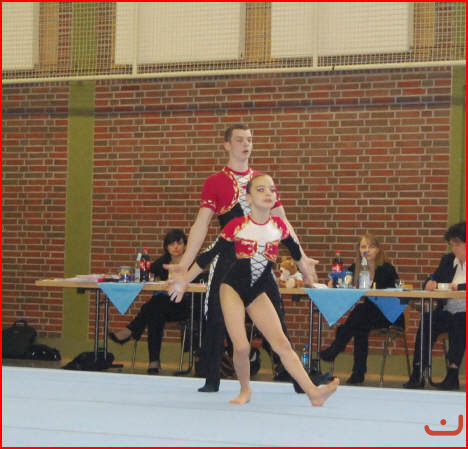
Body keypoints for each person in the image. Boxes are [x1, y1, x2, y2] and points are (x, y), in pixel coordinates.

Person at [165, 124, 318, 393]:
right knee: (215, 314)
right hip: (227, 256)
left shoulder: (262, 181)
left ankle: (296, 379)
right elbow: (201, 225)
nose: (246, 144)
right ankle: (211, 377)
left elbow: (282, 221)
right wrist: (184, 265)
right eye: (239, 140)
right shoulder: (215, 181)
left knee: (276, 314)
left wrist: (302, 258)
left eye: (249, 139)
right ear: (227, 145)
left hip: (258, 259)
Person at [168, 174, 339, 405]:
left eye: (272, 190)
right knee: (242, 347)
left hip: (257, 291)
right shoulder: (237, 226)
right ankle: (245, 390)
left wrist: (308, 274)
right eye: (261, 189)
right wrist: (184, 280)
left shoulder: (280, 227)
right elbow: (208, 256)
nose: (268, 193)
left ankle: (313, 393)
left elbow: (297, 253)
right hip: (232, 288)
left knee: (282, 344)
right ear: (248, 198)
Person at [109, 229, 206, 374]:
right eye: (171, 244)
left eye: (179, 243)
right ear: (166, 247)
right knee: (155, 312)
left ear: (186, 245)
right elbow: (146, 274)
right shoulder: (162, 262)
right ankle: (153, 360)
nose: (175, 247)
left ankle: (132, 332)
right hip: (167, 307)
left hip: (188, 306)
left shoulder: (192, 262)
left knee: (154, 305)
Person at [319, 233, 402, 385]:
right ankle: (358, 373)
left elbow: (388, 294)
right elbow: (342, 278)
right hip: (367, 316)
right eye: (363, 247)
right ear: (359, 250)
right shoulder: (356, 267)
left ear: (378, 250)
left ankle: (337, 348)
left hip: (388, 314)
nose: (367, 250)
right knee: (360, 324)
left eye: (371, 247)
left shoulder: (387, 268)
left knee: (360, 313)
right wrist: (334, 282)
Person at [404, 220, 466, 390]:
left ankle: (452, 373)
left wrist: (460, 287)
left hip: (464, 313)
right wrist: (430, 283)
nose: (454, 249)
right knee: (428, 319)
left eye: (458, 244)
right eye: (451, 245)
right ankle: (419, 371)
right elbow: (433, 277)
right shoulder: (447, 260)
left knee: (460, 321)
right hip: (447, 310)